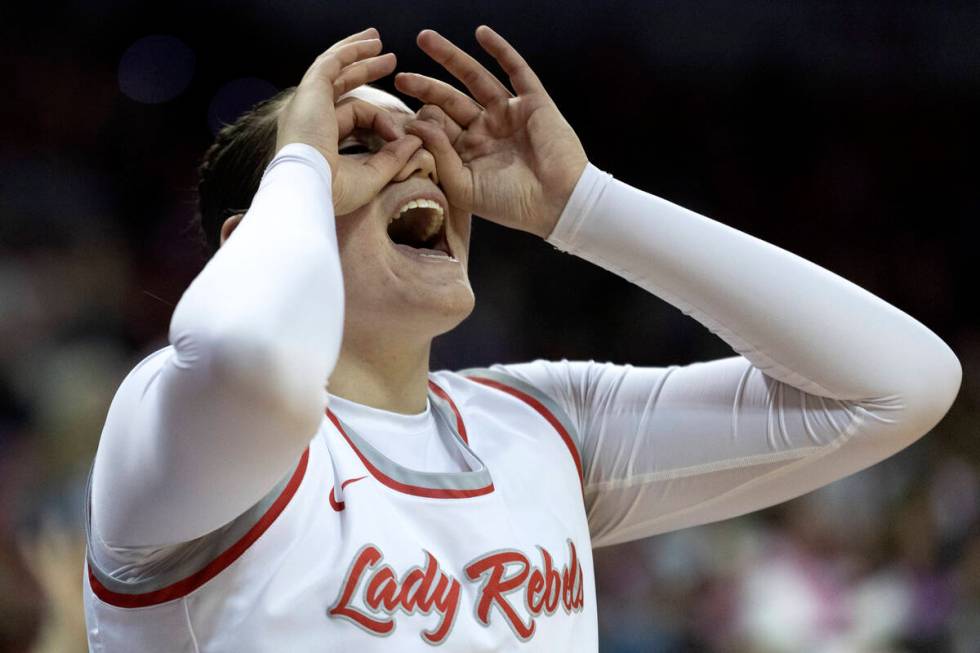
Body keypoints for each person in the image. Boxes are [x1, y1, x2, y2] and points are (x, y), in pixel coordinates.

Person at [81, 25, 961, 652]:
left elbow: (901, 383)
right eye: (360, 144)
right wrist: (300, 162)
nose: (417, 159)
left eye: (423, 139)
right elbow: (254, 357)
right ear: (269, 226)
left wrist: (588, 208)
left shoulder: (540, 424)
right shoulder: (169, 422)